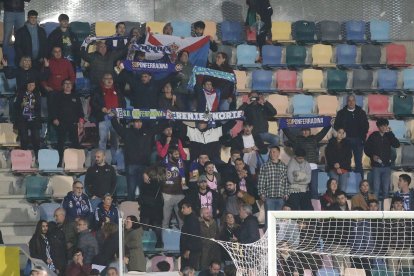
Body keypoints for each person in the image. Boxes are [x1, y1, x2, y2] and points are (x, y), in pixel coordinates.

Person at [111, 116, 166, 200]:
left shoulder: (147, 131)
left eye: (140, 122)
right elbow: (117, 127)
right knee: (131, 191)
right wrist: (113, 117)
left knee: (143, 191)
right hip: (131, 166)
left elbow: (159, 128)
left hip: (145, 167)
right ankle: (130, 211)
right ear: (133, 123)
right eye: (136, 122)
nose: (139, 123)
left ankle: (142, 211)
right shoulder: (127, 132)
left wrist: (167, 118)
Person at [283, 125, 331, 199]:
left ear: (310, 131)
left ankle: (314, 209)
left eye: (307, 130)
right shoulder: (296, 139)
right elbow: (288, 134)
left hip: (313, 168)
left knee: (314, 189)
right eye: (303, 130)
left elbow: (323, 132)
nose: (305, 132)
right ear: (301, 132)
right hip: (301, 168)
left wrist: (328, 124)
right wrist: (283, 125)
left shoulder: (314, 138)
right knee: (301, 190)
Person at [91, 73, 126, 159]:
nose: (109, 80)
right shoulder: (97, 90)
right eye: (107, 78)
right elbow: (93, 103)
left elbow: (123, 102)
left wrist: (120, 111)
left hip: (115, 117)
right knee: (102, 140)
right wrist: (101, 108)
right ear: (103, 80)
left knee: (115, 140)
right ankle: (102, 159)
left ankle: (114, 160)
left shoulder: (117, 89)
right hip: (104, 118)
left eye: (111, 78)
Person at [364, 118, 400, 202]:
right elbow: (366, 149)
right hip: (376, 166)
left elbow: (397, 144)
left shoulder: (389, 135)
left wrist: (391, 133)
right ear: (378, 126)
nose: (384, 127)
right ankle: (375, 211)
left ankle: (386, 211)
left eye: (385, 126)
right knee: (376, 190)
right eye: (382, 126)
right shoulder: (373, 135)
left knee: (386, 191)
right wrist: (372, 156)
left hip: (387, 166)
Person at [334, 95, 369, 178]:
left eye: (353, 100)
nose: (351, 102)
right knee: (345, 162)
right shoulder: (341, 113)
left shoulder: (361, 112)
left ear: (355, 101)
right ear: (347, 102)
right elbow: (336, 126)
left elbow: (366, 126)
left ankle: (360, 182)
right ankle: (347, 182)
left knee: (358, 163)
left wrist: (362, 138)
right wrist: (342, 134)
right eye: (349, 100)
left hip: (358, 140)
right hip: (345, 140)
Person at [50, 79, 84, 164]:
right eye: (66, 83)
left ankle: (77, 162)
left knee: (76, 144)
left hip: (73, 123)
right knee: (60, 143)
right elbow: (52, 108)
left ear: (72, 86)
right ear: (62, 86)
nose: (68, 85)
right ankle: (58, 163)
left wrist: (81, 121)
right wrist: (54, 118)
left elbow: (80, 110)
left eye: (70, 84)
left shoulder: (76, 96)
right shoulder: (58, 96)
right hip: (61, 123)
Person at [159, 148, 186, 229]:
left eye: (178, 154)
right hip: (167, 195)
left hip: (179, 195)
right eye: (175, 154)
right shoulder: (163, 163)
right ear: (170, 155)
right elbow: (154, 168)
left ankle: (183, 240)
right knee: (165, 221)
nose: (178, 156)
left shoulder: (181, 162)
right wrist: (145, 173)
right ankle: (164, 241)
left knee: (182, 221)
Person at [14, 80, 41, 158]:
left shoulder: (37, 94)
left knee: (36, 139)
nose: (31, 87)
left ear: (35, 86)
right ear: (26, 85)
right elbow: (15, 106)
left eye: (33, 85)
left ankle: (37, 157)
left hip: (34, 119)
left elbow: (39, 106)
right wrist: (21, 104)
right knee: (24, 139)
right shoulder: (20, 94)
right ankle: (24, 157)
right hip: (23, 120)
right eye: (29, 85)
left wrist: (34, 107)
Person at [257, 146, 289, 213]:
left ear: (278, 153)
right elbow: (261, 181)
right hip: (269, 197)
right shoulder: (264, 166)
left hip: (281, 197)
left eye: (274, 152)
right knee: (269, 219)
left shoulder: (284, 166)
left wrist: (286, 193)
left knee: (279, 220)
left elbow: (286, 181)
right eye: (270, 152)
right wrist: (261, 193)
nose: (272, 154)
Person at [140, 165, 164, 248]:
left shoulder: (144, 184)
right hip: (157, 207)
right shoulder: (159, 182)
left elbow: (141, 196)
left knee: (144, 226)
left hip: (146, 207)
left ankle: (142, 244)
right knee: (157, 226)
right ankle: (159, 242)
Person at [325, 128, 352, 192]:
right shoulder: (330, 144)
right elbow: (329, 157)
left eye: (343, 133)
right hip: (333, 168)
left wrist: (340, 165)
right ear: (335, 133)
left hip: (344, 168)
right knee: (334, 189)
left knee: (343, 189)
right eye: (339, 132)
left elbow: (348, 158)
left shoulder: (347, 144)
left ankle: (341, 201)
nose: (341, 134)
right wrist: (336, 166)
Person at [180, 201, 202, 270]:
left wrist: (188, 250)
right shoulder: (188, 218)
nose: (182, 210)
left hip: (191, 251)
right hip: (189, 250)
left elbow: (193, 236)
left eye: (183, 208)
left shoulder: (192, 219)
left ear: (190, 208)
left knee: (189, 270)